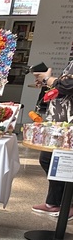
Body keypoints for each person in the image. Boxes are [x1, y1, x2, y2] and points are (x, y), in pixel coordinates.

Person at [31, 61, 73, 217]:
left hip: (68, 122)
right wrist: (47, 83)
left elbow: (69, 85)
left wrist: (48, 79)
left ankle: (65, 203)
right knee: (50, 158)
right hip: (62, 122)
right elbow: (64, 88)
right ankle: (54, 202)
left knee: (59, 160)